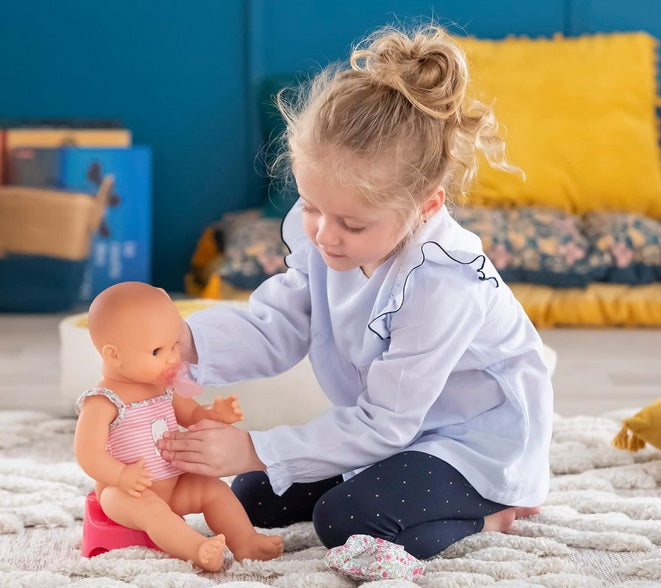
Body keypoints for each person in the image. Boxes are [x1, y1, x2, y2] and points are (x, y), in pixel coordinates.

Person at [158, 24, 553, 560]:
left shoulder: (443, 283)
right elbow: (279, 324)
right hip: (394, 432)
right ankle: (375, 481)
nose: (324, 234)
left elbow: (387, 422)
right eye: (312, 207)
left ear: (426, 207)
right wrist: (182, 343)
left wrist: (254, 446)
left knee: (344, 521)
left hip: (471, 444)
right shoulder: (331, 236)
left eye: (351, 223)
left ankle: (494, 515)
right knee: (252, 497)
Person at [74, 281, 283, 572]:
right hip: (125, 493)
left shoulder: (164, 387)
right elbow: (88, 453)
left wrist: (215, 413)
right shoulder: (103, 401)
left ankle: (246, 541)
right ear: (113, 355)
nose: (173, 358)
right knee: (152, 511)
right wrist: (121, 476)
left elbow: (193, 415)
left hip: (174, 483)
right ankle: (196, 549)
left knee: (216, 490)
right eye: (158, 351)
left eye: (175, 345)